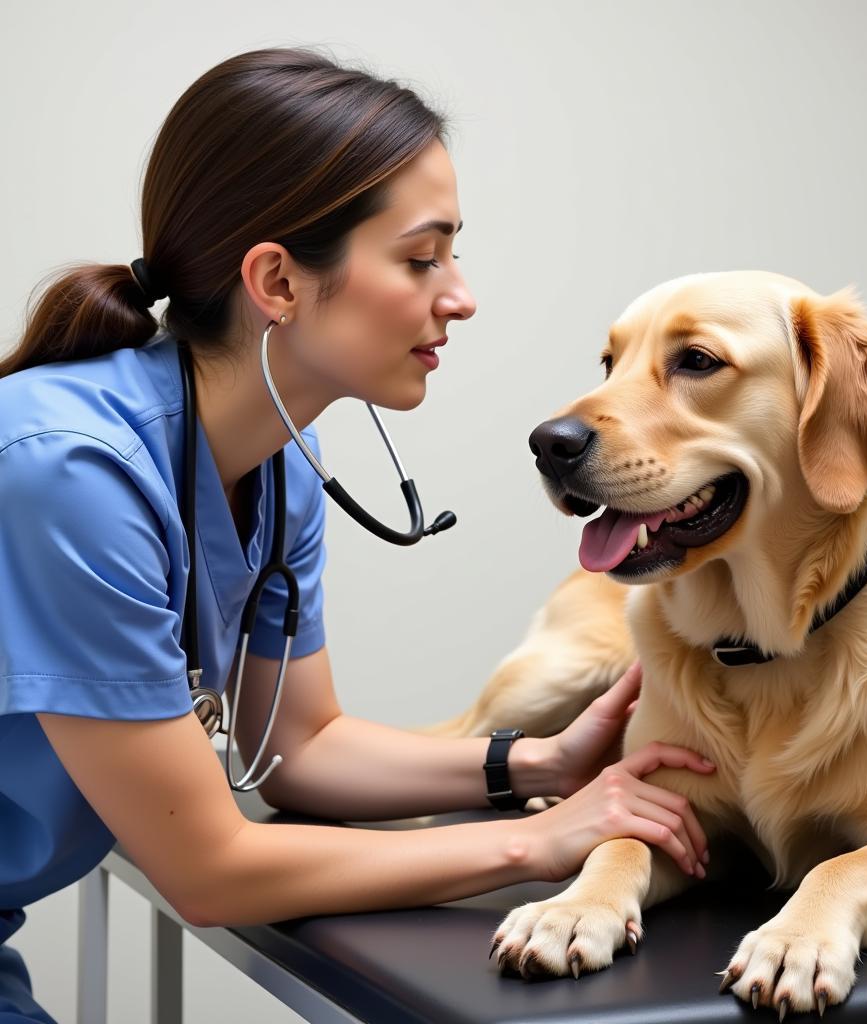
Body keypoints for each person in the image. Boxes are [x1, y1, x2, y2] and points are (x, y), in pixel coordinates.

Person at [0, 46, 714, 1022]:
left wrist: (537, 763)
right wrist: (538, 843)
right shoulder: (65, 470)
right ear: (278, 282)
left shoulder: (279, 462)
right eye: (422, 258)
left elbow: (299, 746)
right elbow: (209, 869)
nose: (458, 294)